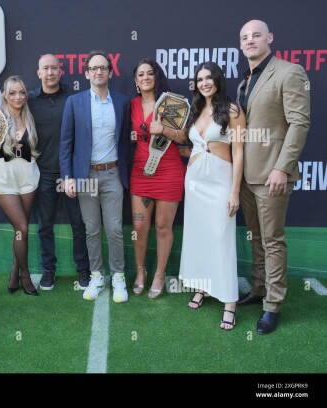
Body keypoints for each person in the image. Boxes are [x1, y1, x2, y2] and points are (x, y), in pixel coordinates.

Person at [236, 20, 310, 334]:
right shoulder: (245, 81)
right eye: (244, 37)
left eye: (256, 35)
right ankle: (258, 288)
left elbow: (299, 123)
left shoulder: (289, 71)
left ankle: (273, 305)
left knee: (272, 241)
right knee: (255, 237)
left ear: (269, 38)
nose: (250, 40)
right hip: (245, 176)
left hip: (272, 175)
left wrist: (282, 167)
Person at [178, 62, 245, 330]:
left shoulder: (233, 111)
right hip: (194, 182)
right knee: (199, 236)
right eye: (200, 79)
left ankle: (230, 302)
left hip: (220, 181)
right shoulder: (195, 111)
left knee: (221, 237)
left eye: (209, 78)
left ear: (218, 79)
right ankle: (202, 287)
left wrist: (235, 191)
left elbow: (239, 152)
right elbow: (190, 142)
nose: (204, 83)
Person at [60, 50, 131, 303]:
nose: (99, 71)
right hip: (85, 176)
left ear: (110, 72)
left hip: (112, 174)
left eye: (103, 67)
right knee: (91, 229)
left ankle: (119, 277)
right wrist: (68, 176)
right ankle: (97, 276)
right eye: (94, 68)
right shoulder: (75, 102)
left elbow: (125, 142)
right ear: (87, 73)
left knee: (114, 229)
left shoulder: (122, 102)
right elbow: (66, 142)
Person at [28, 54, 90, 291]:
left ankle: (83, 269)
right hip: (43, 173)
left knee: (79, 224)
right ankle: (48, 270)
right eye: (46, 68)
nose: (51, 72)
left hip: (71, 175)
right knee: (45, 225)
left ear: (60, 71)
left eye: (54, 68)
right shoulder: (29, 100)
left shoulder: (73, 99)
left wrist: (72, 175)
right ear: (39, 73)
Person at [129, 59, 186, 299]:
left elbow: (182, 138)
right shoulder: (130, 105)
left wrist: (163, 130)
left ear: (156, 76)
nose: (145, 78)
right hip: (141, 171)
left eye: (149, 73)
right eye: (140, 74)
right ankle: (140, 272)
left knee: (163, 227)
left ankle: (160, 275)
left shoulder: (170, 102)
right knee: (140, 227)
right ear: (135, 81)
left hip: (169, 171)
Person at [0, 75, 40, 296]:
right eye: (13, 93)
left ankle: (13, 272)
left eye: (21, 92)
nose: (18, 97)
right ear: (5, 95)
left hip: (28, 175)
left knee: (20, 230)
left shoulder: (30, 116)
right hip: (4, 176)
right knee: (22, 228)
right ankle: (25, 276)